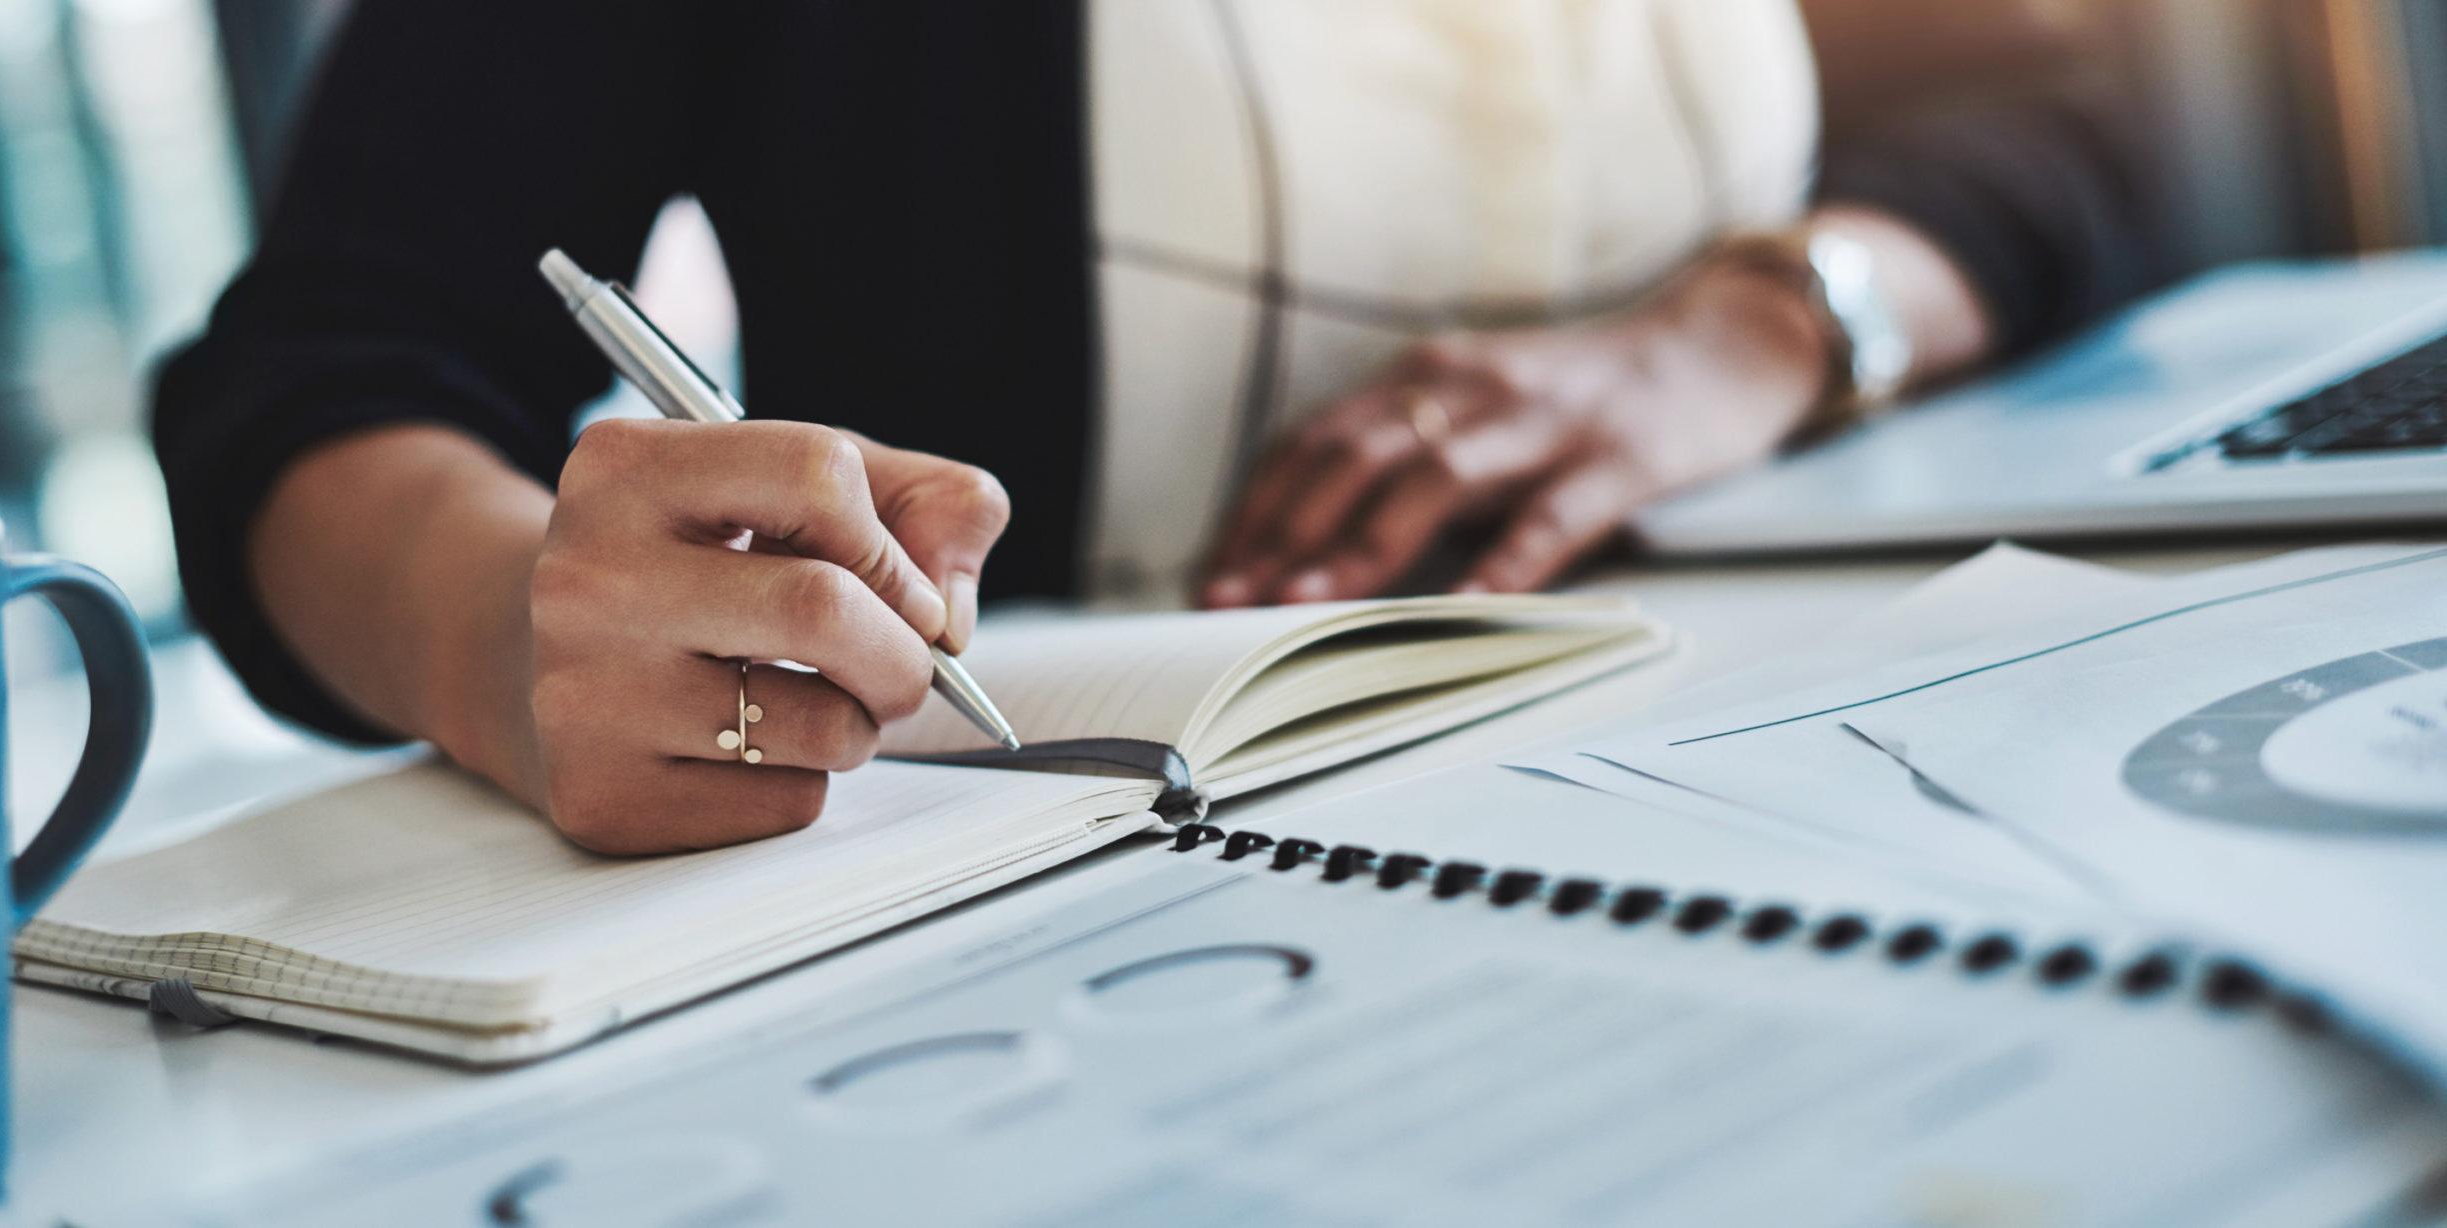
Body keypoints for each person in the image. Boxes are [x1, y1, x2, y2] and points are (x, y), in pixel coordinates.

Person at [155, 0, 2155, 854]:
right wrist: (507, 637)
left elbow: (2057, 114)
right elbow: (319, 370)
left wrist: (1743, 328)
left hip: (1884, 757)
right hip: (1133, 869)